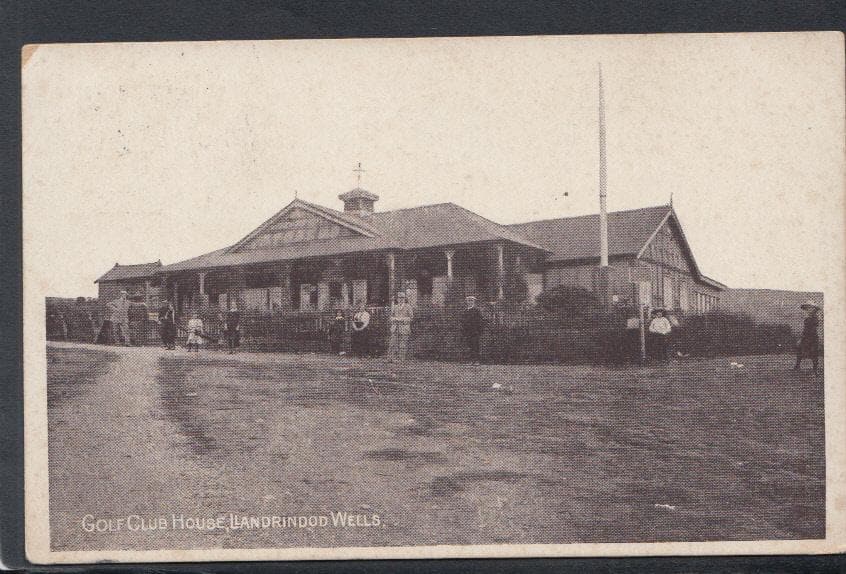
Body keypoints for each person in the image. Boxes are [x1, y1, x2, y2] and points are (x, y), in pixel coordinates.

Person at [794, 300, 821, 373]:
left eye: (810, 308)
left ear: (814, 309)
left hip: (812, 337)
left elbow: (812, 329)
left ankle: (815, 370)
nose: (808, 309)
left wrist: (805, 337)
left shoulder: (815, 318)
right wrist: (802, 337)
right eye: (807, 308)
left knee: (814, 352)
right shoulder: (808, 317)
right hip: (806, 336)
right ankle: (797, 366)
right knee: (800, 349)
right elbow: (805, 329)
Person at [389, 291, 414, 361]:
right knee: (393, 343)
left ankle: (401, 358)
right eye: (399, 298)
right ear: (397, 299)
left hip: (404, 327)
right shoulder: (395, 307)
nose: (400, 299)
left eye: (402, 298)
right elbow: (391, 317)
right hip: (395, 327)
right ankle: (392, 358)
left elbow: (411, 318)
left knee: (403, 344)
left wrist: (402, 319)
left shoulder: (408, 306)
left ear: (404, 299)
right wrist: (394, 319)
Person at [459, 295, 485, 364]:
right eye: (468, 300)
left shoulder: (477, 310)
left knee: (476, 346)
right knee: (469, 346)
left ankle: (477, 361)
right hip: (468, 331)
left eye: (471, 300)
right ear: (467, 302)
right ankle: (471, 360)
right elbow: (463, 321)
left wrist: (479, 331)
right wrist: (463, 330)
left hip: (475, 331)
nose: (470, 302)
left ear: (474, 302)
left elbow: (480, 321)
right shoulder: (465, 311)